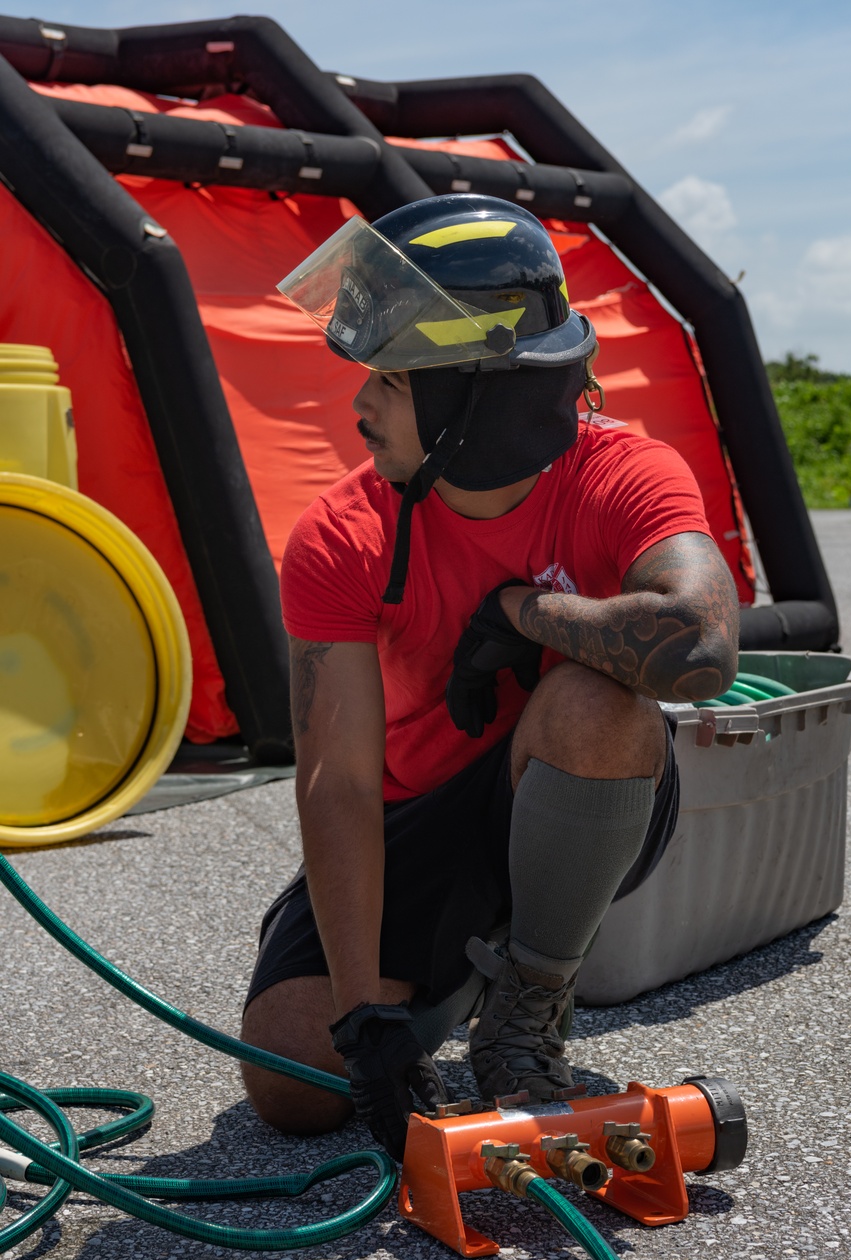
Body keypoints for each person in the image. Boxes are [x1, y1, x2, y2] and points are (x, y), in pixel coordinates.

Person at [240, 195, 739, 1159]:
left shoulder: (623, 474)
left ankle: (526, 1003)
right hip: (409, 818)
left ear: (483, 394)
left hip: (560, 788)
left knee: (597, 696)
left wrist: (520, 612)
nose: (360, 406)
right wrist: (360, 1018)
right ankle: (440, 990)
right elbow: (335, 780)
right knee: (296, 1084)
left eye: (392, 379)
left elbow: (700, 648)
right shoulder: (339, 535)